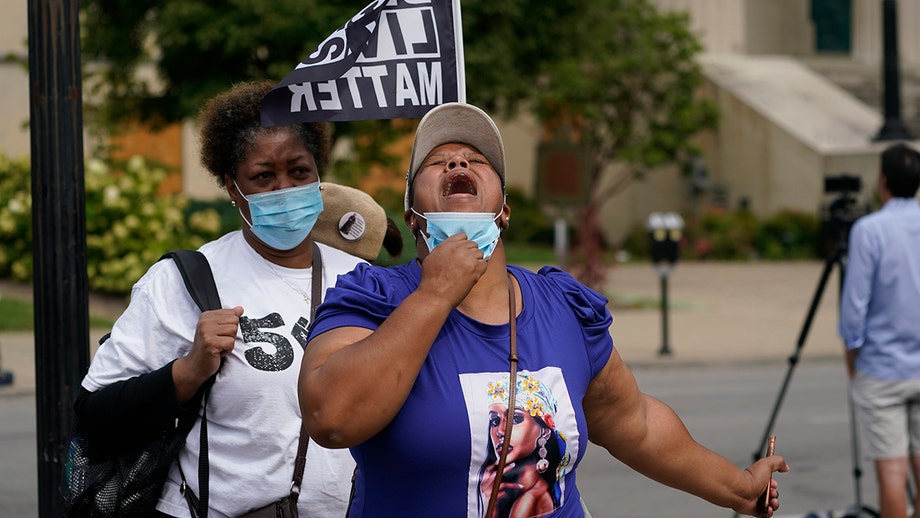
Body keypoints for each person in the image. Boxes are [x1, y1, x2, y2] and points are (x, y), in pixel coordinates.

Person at [298, 102, 789, 517]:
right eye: (437, 162)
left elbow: (635, 423)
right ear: (411, 215)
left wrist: (740, 489)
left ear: (504, 210)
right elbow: (331, 416)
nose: (456, 164)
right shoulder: (373, 298)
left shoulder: (563, 306)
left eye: (476, 159)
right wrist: (434, 295)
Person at [74, 80, 394, 517]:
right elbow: (94, 415)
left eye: (299, 171)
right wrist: (187, 371)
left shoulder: (363, 281)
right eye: (263, 176)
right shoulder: (184, 282)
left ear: (319, 173)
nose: (284, 188)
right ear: (231, 187)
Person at [839, 142, 920, 518]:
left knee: (892, 471)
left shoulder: (868, 230)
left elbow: (855, 305)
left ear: (882, 181)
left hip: (882, 368)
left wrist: (853, 359)